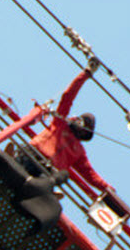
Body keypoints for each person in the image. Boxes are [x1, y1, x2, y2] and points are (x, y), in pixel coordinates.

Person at [30, 57, 112, 193]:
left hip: (47, 171)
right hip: (33, 154)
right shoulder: (60, 123)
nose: (79, 125)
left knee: (62, 175)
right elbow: (68, 96)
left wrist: (108, 189)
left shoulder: (78, 152)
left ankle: (45, 193)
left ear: (85, 133)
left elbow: (91, 175)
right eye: (80, 121)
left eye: (84, 126)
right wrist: (86, 74)